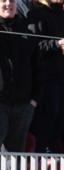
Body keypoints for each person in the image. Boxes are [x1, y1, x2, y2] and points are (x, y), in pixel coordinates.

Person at [26, 0, 64, 153]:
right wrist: (55, 45)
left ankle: (50, 161)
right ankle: (39, 160)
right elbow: (33, 46)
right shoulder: (36, 15)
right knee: (46, 121)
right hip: (45, 80)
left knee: (59, 121)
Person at [0, 0, 37, 152]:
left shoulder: (26, 32)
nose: (8, 4)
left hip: (23, 104)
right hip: (0, 102)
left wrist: (34, 99)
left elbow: (37, 67)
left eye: (12, 1)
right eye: (3, 0)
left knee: (16, 155)